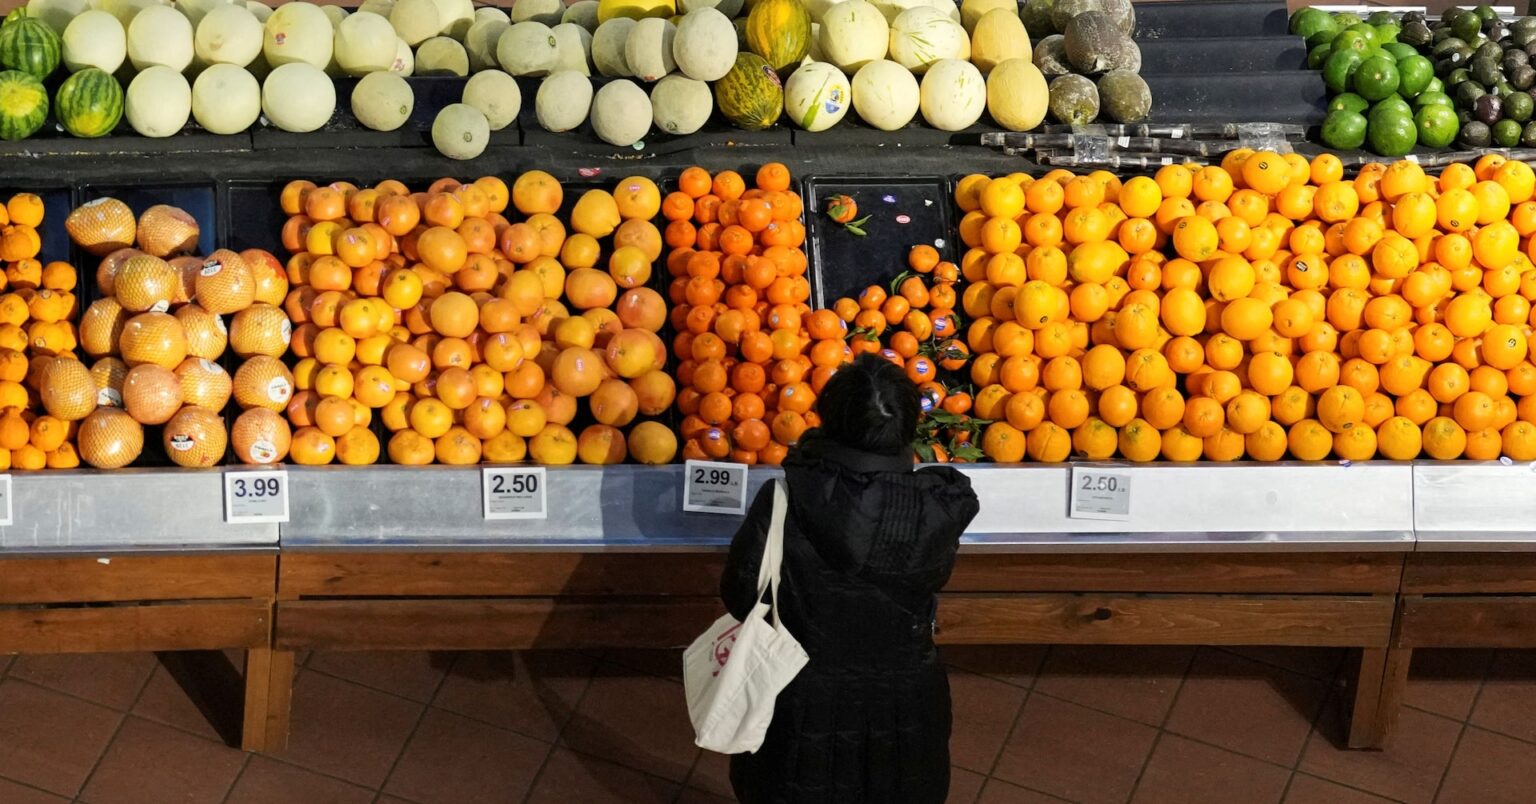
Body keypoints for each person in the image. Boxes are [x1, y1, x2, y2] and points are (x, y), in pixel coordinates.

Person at [720, 353, 981, 804]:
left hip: (798, 697)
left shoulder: (786, 498)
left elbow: (741, 593)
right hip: (903, 701)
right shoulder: (936, 509)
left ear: (827, 419)